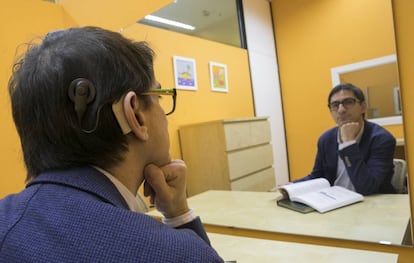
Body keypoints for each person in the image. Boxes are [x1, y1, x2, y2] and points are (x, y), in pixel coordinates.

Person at [0, 26, 224, 262]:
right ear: (136, 115)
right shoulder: (177, 254)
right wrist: (180, 218)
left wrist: (175, 211)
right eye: (159, 95)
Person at [295, 83, 396, 195]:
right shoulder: (326, 139)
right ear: (330, 111)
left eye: (348, 102)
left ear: (363, 107)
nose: (341, 110)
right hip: (336, 201)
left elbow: (367, 188)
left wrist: (348, 144)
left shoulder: (381, 139)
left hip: (373, 204)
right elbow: (318, 176)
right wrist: (290, 187)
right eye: (335, 105)